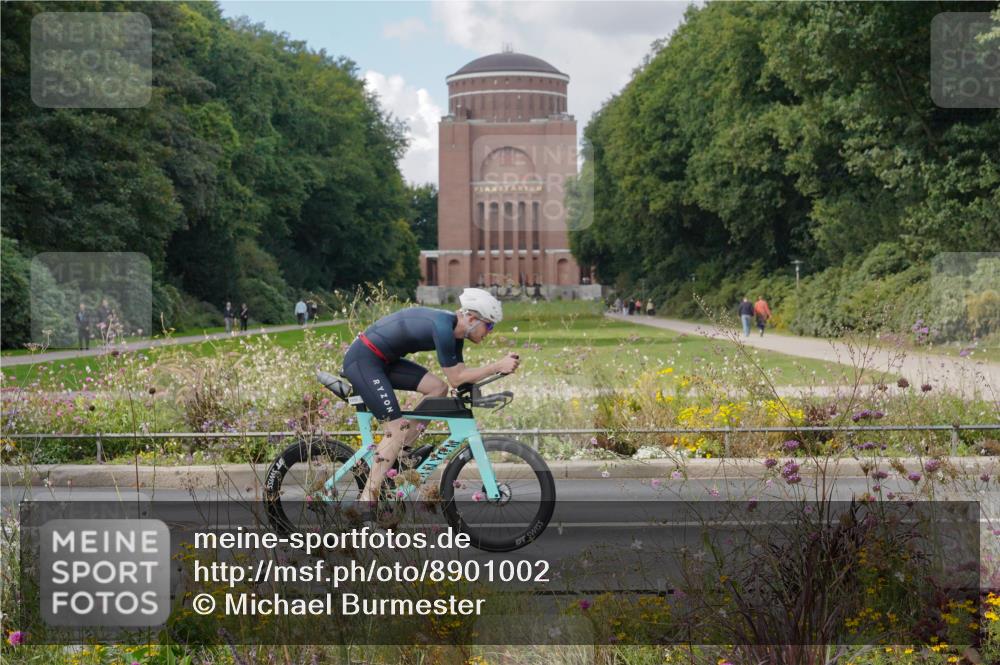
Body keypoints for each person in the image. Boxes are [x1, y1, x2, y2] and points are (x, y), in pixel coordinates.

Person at [342, 288, 518, 515]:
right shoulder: (443, 328)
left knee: (437, 388)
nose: (489, 332)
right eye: (490, 325)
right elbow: (457, 378)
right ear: (472, 319)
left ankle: (401, 452)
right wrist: (496, 366)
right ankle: (367, 501)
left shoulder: (456, 335)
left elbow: (457, 379)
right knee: (395, 429)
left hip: (384, 360)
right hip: (364, 359)